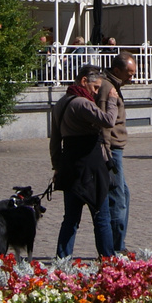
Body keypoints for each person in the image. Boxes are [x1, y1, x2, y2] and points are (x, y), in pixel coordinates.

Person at [50, 65, 115, 258]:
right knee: (101, 217)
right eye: (95, 88)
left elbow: (55, 141)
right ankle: (109, 259)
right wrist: (111, 99)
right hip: (91, 167)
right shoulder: (82, 104)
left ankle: (62, 258)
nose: (96, 93)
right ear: (84, 81)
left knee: (70, 218)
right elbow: (108, 121)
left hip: (70, 166)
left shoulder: (61, 103)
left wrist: (57, 166)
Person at [92, 53, 135, 253]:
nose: (132, 77)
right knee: (118, 199)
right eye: (129, 73)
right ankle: (116, 248)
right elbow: (103, 122)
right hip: (111, 150)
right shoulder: (108, 88)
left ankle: (118, 245)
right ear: (117, 70)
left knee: (123, 194)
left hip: (116, 148)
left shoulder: (114, 85)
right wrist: (106, 152)